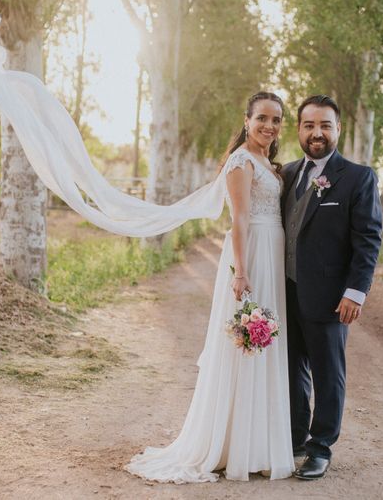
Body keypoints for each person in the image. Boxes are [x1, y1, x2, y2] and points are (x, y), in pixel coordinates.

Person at [125, 92, 296, 483]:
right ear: (247, 120)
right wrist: (241, 272)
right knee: (245, 347)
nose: (269, 126)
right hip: (251, 256)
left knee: (265, 348)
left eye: (276, 120)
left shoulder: (269, 164)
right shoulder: (240, 161)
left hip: (272, 255)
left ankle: (256, 445)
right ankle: (228, 446)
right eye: (262, 119)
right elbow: (239, 218)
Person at [281, 95, 383, 480]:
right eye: (309, 125)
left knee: (328, 373)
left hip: (330, 297)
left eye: (325, 125)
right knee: (291, 371)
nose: (317, 133)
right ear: (300, 130)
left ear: (338, 130)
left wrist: (356, 291)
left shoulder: (358, 177)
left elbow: (369, 238)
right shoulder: (287, 173)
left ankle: (321, 447)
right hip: (285, 292)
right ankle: (294, 438)